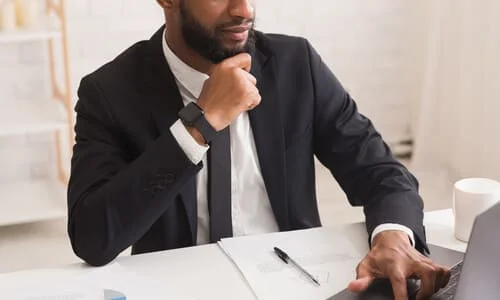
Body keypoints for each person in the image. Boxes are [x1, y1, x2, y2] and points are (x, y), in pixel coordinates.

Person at [67, 0, 450, 299]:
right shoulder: (110, 92)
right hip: (180, 289)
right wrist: (200, 124)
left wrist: (393, 237)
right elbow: (92, 238)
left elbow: (381, 172)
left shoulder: (296, 64)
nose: (244, 11)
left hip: (299, 283)